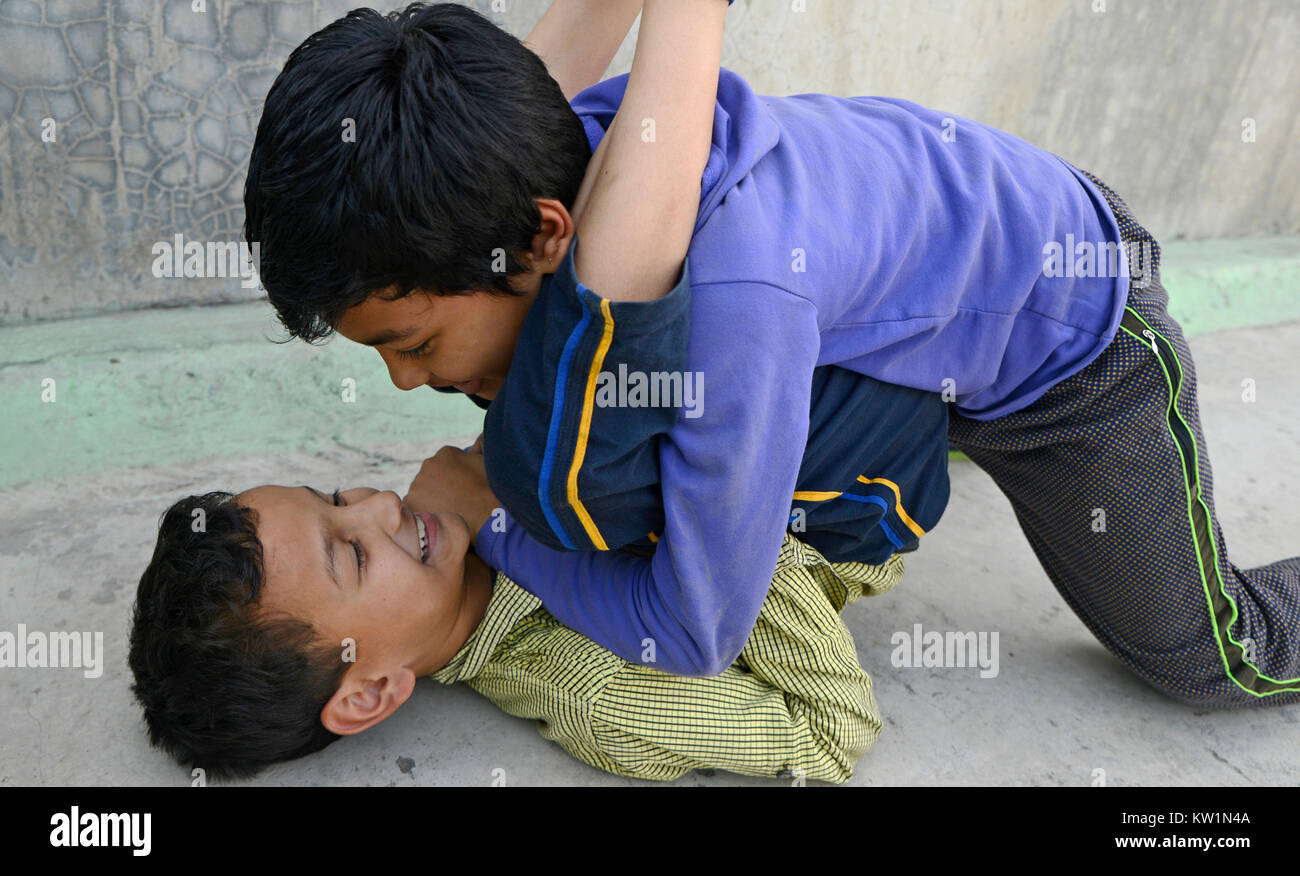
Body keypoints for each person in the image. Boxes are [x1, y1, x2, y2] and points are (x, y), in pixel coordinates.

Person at [243, 1, 1300, 705]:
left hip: (1071, 346)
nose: (406, 380)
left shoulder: (737, 300)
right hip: (914, 306)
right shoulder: (512, 154)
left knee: (1206, 659)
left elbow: (693, 629)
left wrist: (498, 523)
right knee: (570, 408)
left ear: (544, 237)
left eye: (413, 342)